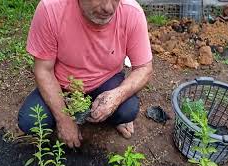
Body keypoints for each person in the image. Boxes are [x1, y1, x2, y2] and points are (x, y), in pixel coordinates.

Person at [18, 0, 153, 148]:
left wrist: (117, 96)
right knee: (30, 121)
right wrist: (63, 119)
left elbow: (144, 68)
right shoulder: (51, 9)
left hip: (106, 80)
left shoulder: (132, 12)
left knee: (127, 110)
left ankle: (111, 115)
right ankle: (76, 115)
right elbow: (43, 70)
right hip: (62, 85)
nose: (108, 8)